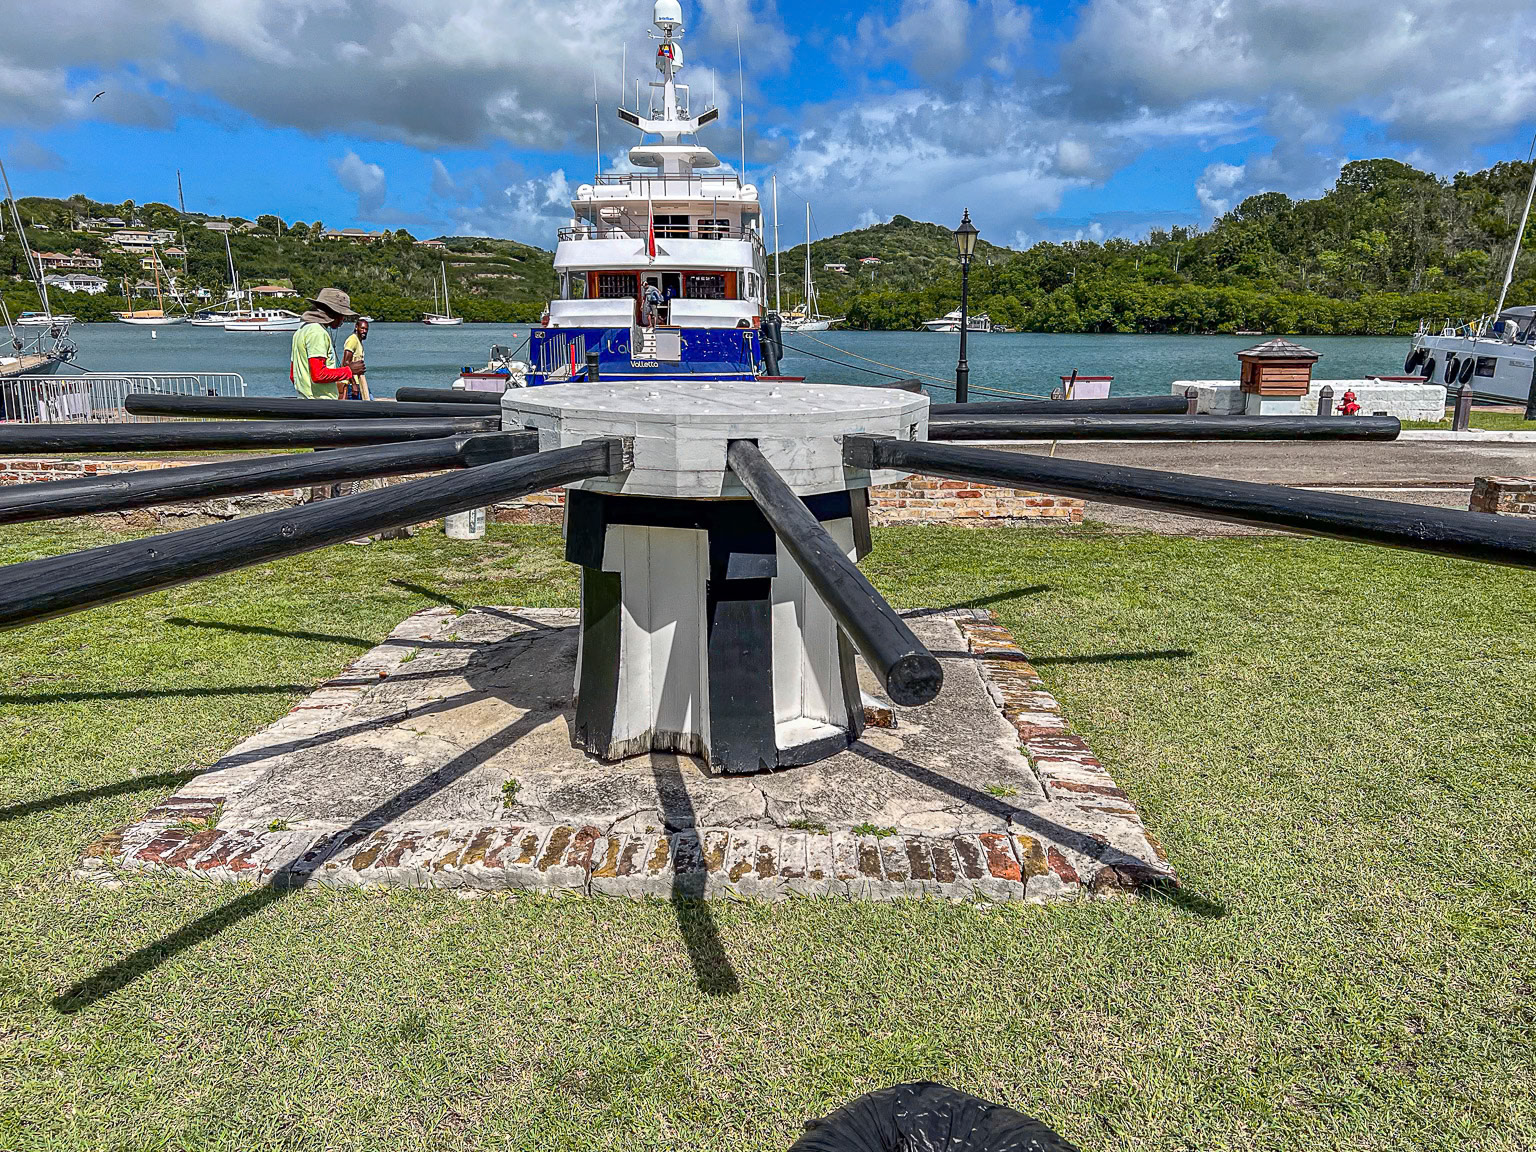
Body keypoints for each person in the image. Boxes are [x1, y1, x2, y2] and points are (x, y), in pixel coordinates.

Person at [290, 287, 358, 400]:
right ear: (334, 313)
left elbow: (293, 375)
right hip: (321, 403)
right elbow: (318, 375)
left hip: (303, 401)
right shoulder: (318, 332)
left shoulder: (301, 330)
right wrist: (349, 370)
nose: (343, 319)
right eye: (342, 315)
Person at [342, 317, 370, 400]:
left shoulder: (359, 341)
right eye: (362, 328)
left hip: (358, 383)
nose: (364, 331)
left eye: (366, 329)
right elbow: (346, 363)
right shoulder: (353, 340)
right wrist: (353, 384)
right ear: (356, 327)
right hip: (351, 384)